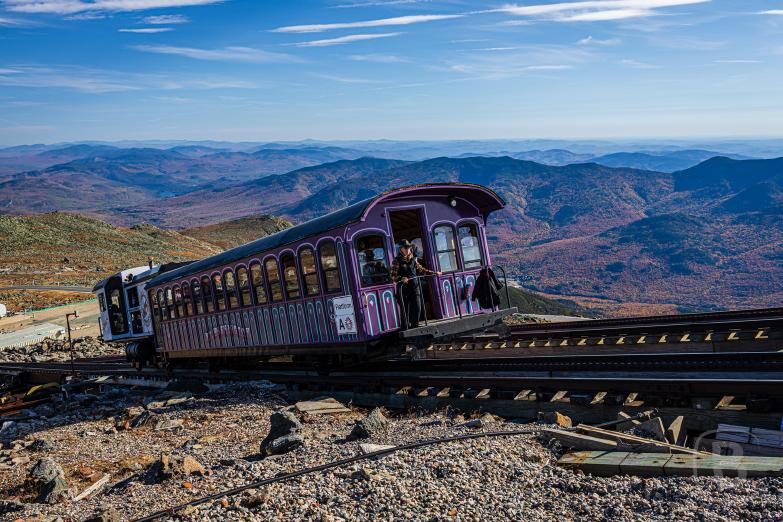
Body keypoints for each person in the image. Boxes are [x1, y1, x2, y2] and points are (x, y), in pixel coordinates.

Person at [390, 239, 442, 329]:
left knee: (417, 308)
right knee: (405, 310)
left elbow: (422, 270)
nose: (407, 249)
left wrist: (434, 273)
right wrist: (401, 278)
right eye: (405, 248)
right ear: (401, 249)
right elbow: (392, 276)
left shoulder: (413, 259)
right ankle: (405, 329)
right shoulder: (397, 261)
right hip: (403, 290)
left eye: (409, 247)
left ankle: (414, 327)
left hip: (415, 288)